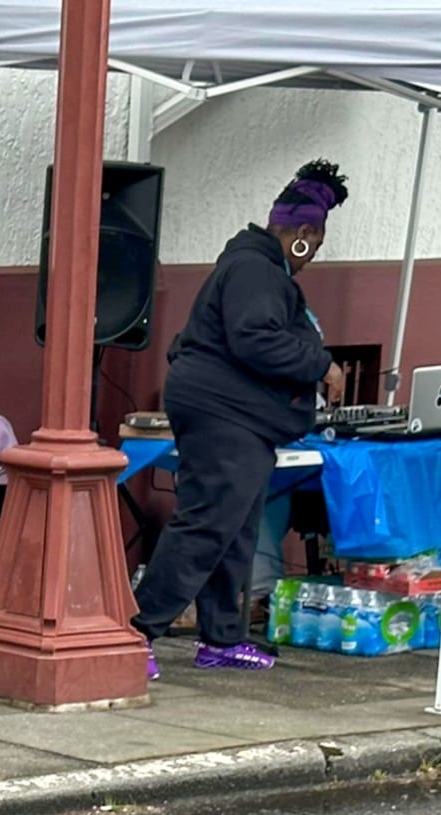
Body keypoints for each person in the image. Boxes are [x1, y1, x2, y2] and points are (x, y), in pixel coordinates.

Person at [131, 160, 349, 678]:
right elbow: (255, 337)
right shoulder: (255, 268)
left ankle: (223, 638)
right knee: (207, 523)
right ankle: (135, 632)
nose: (315, 254)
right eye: (315, 242)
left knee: (237, 526)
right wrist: (321, 364)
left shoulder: (257, 265)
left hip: (240, 416)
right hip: (222, 412)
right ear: (302, 234)